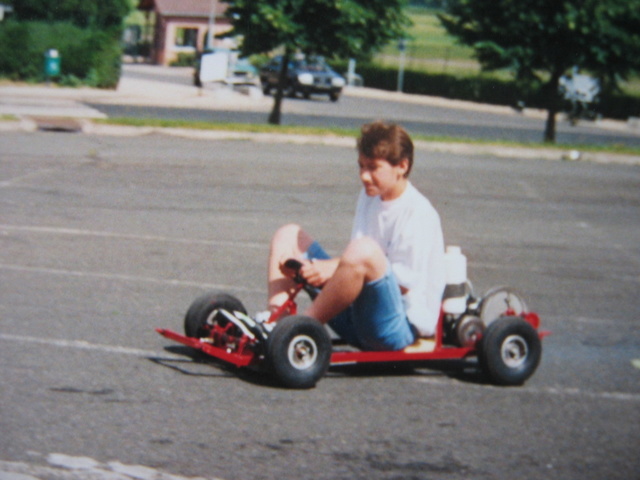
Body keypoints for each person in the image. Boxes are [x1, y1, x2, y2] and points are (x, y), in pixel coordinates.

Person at [266, 121, 446, 351]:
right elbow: (353, 265)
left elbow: (403, 283)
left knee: (364, 250)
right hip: (356, 317)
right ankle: (274, 323)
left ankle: (298, 330)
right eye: (361, 166)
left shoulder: (418, 212)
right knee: (288, 235)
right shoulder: (369, 196)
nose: (364, 176)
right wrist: (312, 270)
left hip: (396, 327)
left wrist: (330, 269)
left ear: (402, 166)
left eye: (373, 167)